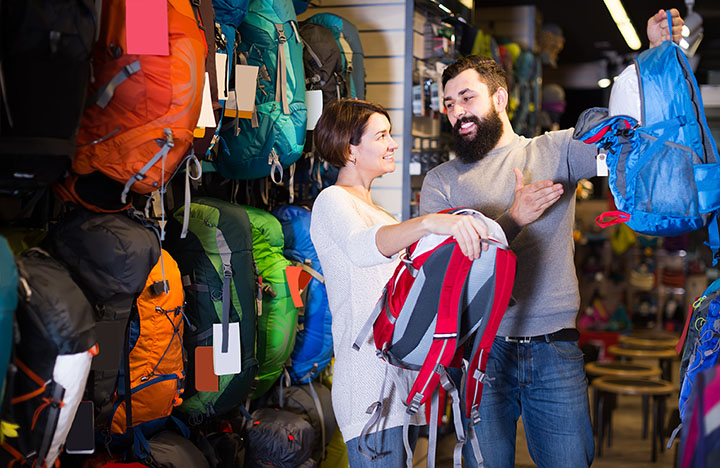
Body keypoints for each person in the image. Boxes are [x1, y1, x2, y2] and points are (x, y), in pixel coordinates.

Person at [419, 9, 684, 468]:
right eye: (448, 103)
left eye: (467, 97)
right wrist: (513, 219)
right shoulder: (440, 182)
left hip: (554, 351)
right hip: (481, 354)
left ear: (500, 98)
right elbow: (441, 270)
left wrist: (657, 53)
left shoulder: (554, 150)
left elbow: (630, 129)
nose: (457, 111)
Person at [309, 99, 490, 467]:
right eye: (381, 135)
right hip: (367, 387)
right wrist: (430, 223)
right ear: (350, 150)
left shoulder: (380, 214)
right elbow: (364, 248)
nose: (392, 143)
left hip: (399, 386)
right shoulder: (332, 201)